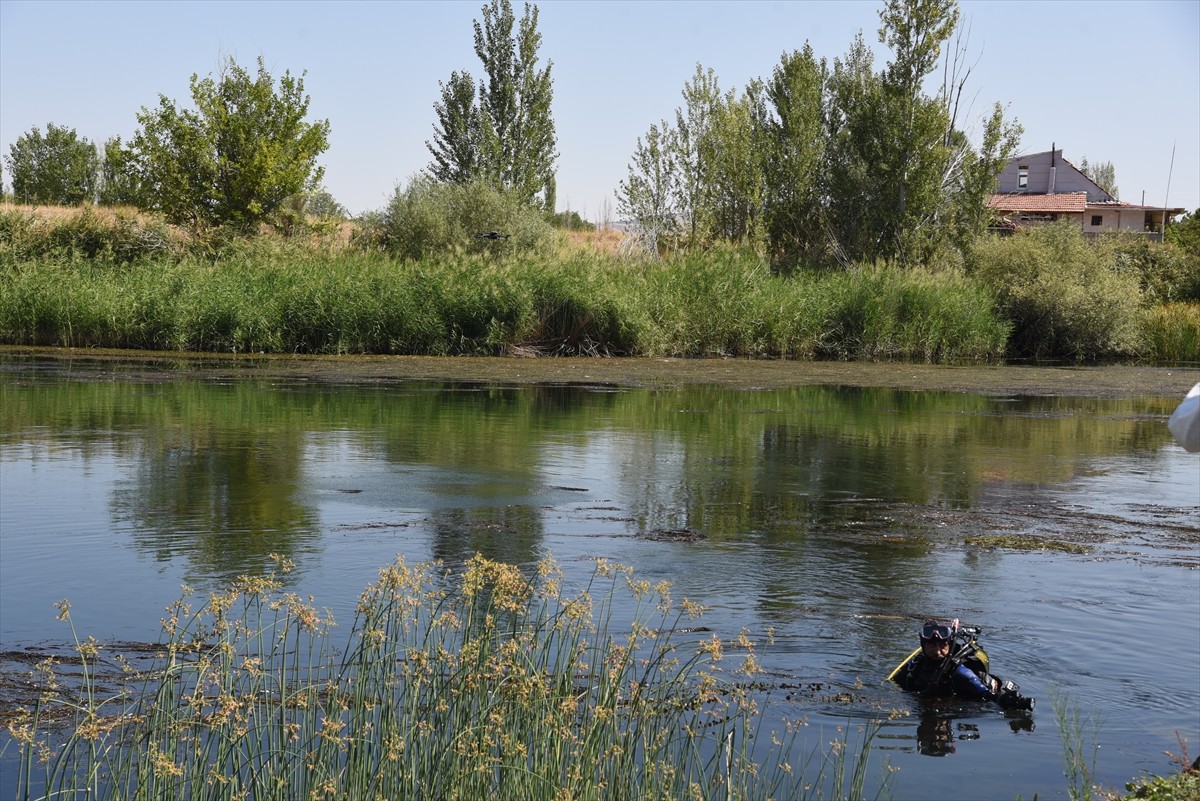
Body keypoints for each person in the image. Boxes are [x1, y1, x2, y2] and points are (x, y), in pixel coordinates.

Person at [893, 619, 1034, 711]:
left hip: (963, 695)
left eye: (943, 645)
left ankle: (1000, 684)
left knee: (986, 682)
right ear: (923, 645)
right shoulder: (914, 666)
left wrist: (1006, 700)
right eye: (931, 645)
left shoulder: (961, 674)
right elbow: (894, 683)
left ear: (949, 645)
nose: (937, 650)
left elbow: (988, 695)